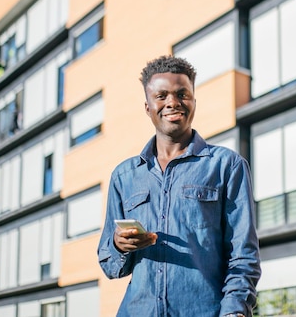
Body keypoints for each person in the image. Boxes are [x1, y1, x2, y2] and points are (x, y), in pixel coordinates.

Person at [97, 55, 261, 317]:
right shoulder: (123, 176)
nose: (172, 102)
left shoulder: (227, 166)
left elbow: (243, 256)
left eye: (182, 94)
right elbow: (110, 265)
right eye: (161, 96)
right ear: (148, 106)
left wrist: (234, 311)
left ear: (194, 101)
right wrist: (119, 246)